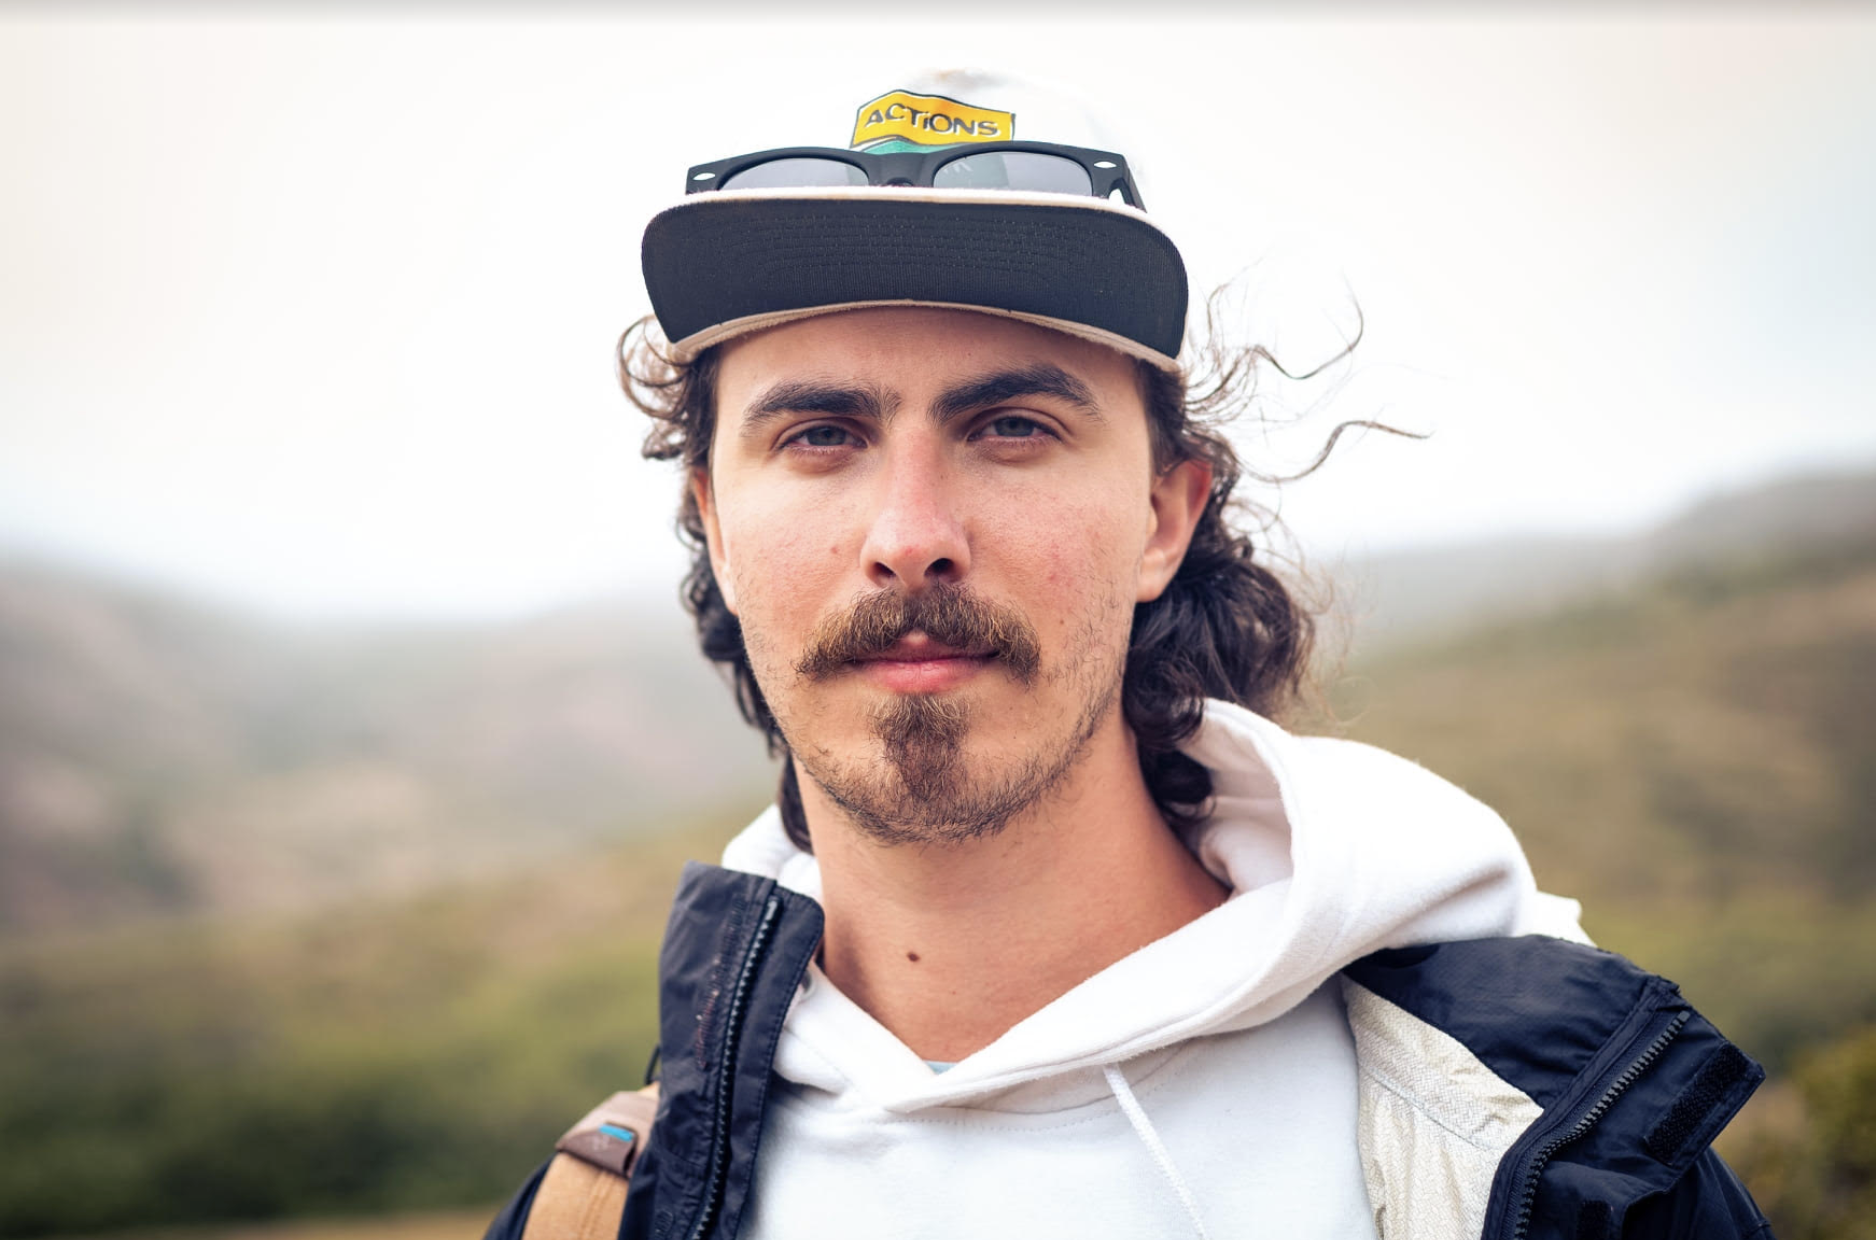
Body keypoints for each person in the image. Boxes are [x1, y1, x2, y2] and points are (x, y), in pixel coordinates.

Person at [485, 71, 1772, 1240]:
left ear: (1164, 516)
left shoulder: (1540, 1148)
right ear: (711, 519)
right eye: (820, 434)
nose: (911, 537)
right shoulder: (604, 1210)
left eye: (1011, 425)